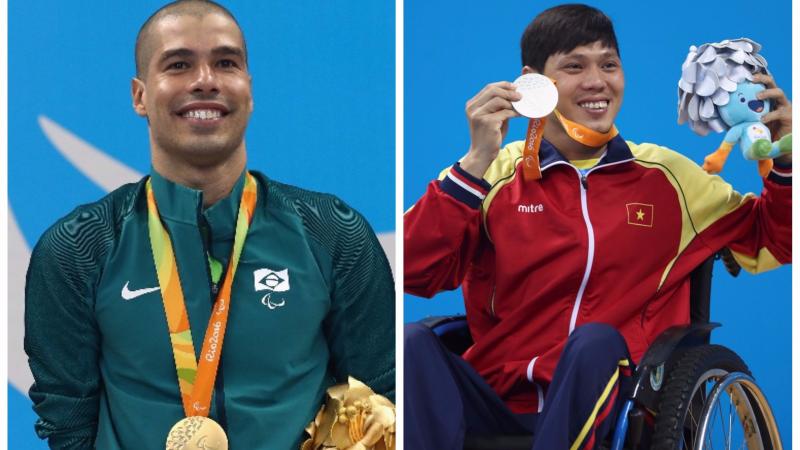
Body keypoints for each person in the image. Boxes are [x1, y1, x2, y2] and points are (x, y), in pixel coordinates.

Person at [404, 4, 791, 449]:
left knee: (595, 345)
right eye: (574, 66)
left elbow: (777, 238)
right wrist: (473, 163)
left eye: (609, 64)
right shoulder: (493, 175)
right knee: (413, 343)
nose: (597, 81)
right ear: (534, 83)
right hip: (498, 401)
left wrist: (786, 159)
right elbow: (415, 271)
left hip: (619, 403)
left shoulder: (668, 178)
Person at [24, 1, 395, 449]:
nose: (205, 80)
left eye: (226, 63)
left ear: (249, 89)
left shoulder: (332, 232)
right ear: (140, 95)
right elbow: (67, 422)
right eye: (179, 64)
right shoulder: (79, 248)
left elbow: (381, 402)